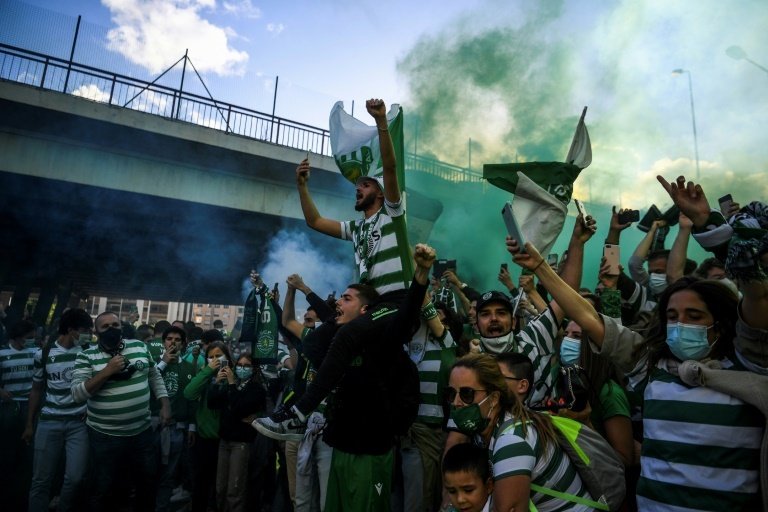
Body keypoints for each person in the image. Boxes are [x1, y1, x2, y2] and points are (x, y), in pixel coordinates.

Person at [506, 221, 765, 510]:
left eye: (694, 316)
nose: (680, 324)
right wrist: (540, 267)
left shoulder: (749, 370)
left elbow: (758, 303)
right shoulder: (652, 368)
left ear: (722, 323)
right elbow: (588, 318)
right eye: (672, 316)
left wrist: (707, 226)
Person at [447, 353, 593, 511]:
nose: (456, 402)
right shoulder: (490, 430)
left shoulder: (512, 440)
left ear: (494, 398)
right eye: (451, 394)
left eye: (467, 394)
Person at [295, 98, 411, 297]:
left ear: (381, 193)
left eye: (365, 185)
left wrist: (381, 121)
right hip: (373, 303)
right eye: (357, 186)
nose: (358, 189)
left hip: (399, 299)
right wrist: (301, 186)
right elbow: (314, 221)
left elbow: (390, 167)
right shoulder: (356, 228)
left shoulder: (391, 212)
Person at [71, 311, 171, 511]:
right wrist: (107, 371)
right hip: (105, 436)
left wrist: (165, 404)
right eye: (105, 326)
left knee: (146, 483)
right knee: (105, 487)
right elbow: (77, 395)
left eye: (115, 325)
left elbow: (154, 375)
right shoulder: (86, 356)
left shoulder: (140, 346)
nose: (111, 329)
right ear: (96, 332)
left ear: (122, 327)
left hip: (141, 432)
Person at [25, 308, 93, 512]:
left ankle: (62, 506)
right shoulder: (44, 354)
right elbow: (36, 390)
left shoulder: (88, 352)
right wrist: (29, 424)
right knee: (40, 480)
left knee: (75, 477)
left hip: (79, 423)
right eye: (85, 330)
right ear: (71, 330)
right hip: (49, 421)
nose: (89, 335)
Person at [208, 353, 266, 512]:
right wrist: (217, 383)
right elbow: (212, 403)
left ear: (253, 369)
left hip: (241, 443)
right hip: (224, 441)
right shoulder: (230, 385)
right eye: (239, 365)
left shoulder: (256, 389)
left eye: (246, 365)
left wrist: (232, 384)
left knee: (235, 488)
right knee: (220, 487)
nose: (242, 368)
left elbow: (239, 409)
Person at [155, 325, 197, 512]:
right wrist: (163, 363)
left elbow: (192, 399)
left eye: (177, 339)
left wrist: (192, 426)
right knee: (148, 471)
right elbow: (146, 384)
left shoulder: (188, 367)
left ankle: (161, 507)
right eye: (169, 339)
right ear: (163, 342)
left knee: (169, 474)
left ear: (183, 344)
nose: (173, 342)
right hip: (153, 426)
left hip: (176, 429)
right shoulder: (154, 363)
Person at [183, 341, 229, 512]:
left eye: (219, 356)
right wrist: (208, 371)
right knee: (201, 483)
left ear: (227, 357)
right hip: (205, 439)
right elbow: (189, 393)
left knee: (222, 485)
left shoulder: (233, 376)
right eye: (211, 357)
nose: (215, 360)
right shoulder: (205, 376)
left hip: (226, 440)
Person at [442, 443, 493, 512]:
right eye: (452, 491)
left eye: (468, 490)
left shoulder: (500, 507)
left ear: (489, 486)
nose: (460, 499)